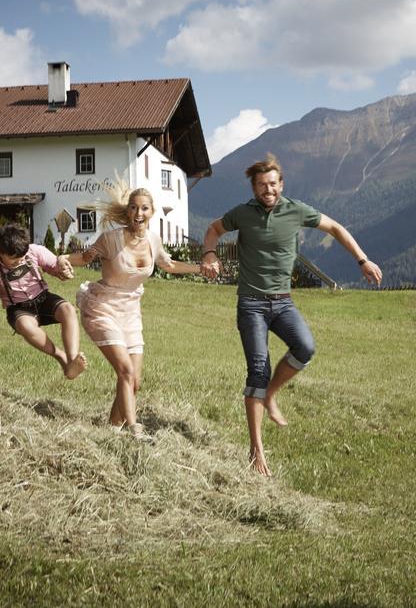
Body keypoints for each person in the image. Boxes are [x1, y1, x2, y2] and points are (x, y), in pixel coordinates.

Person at [201, 153, 383, 476]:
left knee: (306, 347)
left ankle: (271, 395)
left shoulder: (296, 210)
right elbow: (213, 230)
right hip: (252, 304)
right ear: (254, 188)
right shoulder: (243, 214)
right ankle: (256, 451)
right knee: (258, 370)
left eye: (273, 184)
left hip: (283, 302)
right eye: (261, 185)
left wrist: (362, 260)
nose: (268, 190)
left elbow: (336, 228)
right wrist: (210, 254)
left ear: (281, 184)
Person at [67, 179, 202, 438]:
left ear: (151, 212)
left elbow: (169, 265)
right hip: (103, 307)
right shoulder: (111, 239)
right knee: (125, 371)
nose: (138, 214)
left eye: (144, 209)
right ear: (127, 211)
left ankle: (112, 431)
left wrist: (200, 269)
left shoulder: (153, 240)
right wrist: (57, 259)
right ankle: (134, 429)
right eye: (133, 208)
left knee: (134, 381)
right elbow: (84, 258)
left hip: (130, 312)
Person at [0, 223, 87, 380]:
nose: (19, 262)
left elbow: (54, 264)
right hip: (19, 309)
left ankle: (72, 360)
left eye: (22, 259)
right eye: (14, 261)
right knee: (25, 325)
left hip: (42, 298)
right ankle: (61, 357)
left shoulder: (34, 251)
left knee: (68, 309)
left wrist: (62, 269)